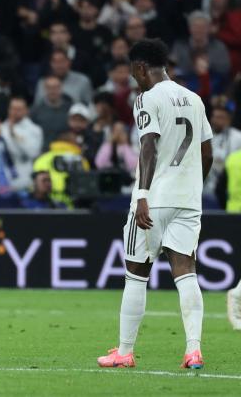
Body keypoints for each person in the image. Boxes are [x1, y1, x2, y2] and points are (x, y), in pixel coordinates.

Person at [97, 39, 213, 370]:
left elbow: (149, 145)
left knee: (136, 274)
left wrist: (142, 195)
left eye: (133, 70)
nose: (133, 77)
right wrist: (193, 188)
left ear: (141, 68)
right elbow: (207, 153)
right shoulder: (194, 99)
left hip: (154, 200)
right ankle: (193, 350)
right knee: (187, 273)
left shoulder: (146, 99)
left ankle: (124, 351)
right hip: (188, 201)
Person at [0, 96, 43, 191]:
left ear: (26, 111)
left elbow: (33, 153)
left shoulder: (34, 130)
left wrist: (15, 136)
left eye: (19, 109)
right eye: (13, 108)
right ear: (9, 110)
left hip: (23, 180)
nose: (15, 112)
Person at [204, 105, 241, 195]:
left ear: (228, 120)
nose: (215, 120)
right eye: (214, 116)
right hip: (206, 188)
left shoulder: (237, 137)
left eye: (220, 117)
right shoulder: (205, 137)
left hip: (227, 187)